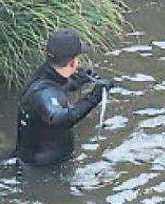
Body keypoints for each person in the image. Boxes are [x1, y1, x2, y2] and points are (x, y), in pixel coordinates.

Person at [16, 29, 112, 165]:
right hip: (46, 168)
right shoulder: (43, 93)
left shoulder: (42, 75)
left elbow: (55, 88)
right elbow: (60, 119)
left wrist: (76, 81)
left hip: (32, 156)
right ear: (73, 63)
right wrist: (94, 96)